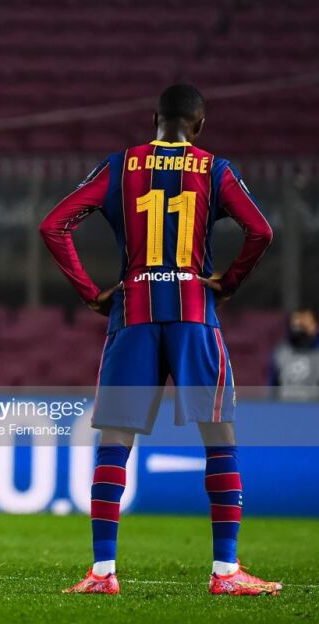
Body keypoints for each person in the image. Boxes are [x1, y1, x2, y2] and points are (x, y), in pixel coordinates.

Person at [40, 84, 281, 595]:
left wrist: (90, 293)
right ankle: (226, 572)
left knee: (114, 444)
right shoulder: (214, 169)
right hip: (194, 314)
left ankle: (102, 573)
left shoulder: (120, 166)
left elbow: (54, 225)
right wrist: (228, 282)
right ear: (200, 125)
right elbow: (261, 231)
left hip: (133, 315)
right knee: (220, 440)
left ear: (154, 118)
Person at [270, 309, 319, 401]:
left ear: (315, 327)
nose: (299, 327)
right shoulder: (282, 351)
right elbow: (272, 385)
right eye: (296, 323)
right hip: (285, 406)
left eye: (305, 323)